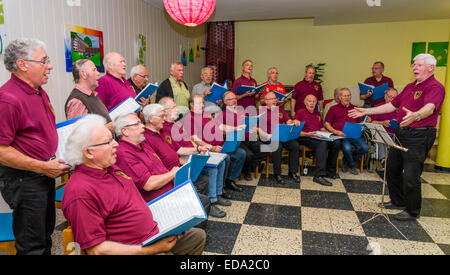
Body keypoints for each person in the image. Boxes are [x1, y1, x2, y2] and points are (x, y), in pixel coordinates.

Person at [61, 115, 206, 255]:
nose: (116, 144)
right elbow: (96, 250)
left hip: (152, 232)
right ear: (89, 152)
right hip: (136, 248)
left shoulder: (109, 167)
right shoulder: (80, 191)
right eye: (108, 142)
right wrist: (151, 249)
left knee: (197, 237)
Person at [349, 54, 445, 221]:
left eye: (420, 65)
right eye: (414, 65)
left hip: (419, 134)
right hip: (402, 132)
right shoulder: (410, 86)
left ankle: (412, 210)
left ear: (431, 68)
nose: (415, 67)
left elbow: (430, 107)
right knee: (391, 168)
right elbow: (391, 105)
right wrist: (366, 111)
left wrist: (417, 115)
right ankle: (398, 201)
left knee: (411, 174)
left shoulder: (435, 87)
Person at [0, 38, 71, 254]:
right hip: (26, 179)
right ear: (22, 64)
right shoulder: (8, 99)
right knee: (32, 245)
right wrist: (42, 167)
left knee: (45, 233)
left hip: (43, 174)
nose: (50, 66)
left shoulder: (39, 90)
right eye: (44, 61)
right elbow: (1, 150)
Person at [142, 103, 227, 218]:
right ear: (151, 119)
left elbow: (178, 149)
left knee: (205, 178)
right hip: (170, 173)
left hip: (179, 165)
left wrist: (197, 149)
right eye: (162, 116)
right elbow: (157, 164)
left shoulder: (162, 131)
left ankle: (197, 202)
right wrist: (181, 163)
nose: (164, 119)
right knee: (204, 178)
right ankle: (194, 204)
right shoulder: (146, 138)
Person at [179, 95, 247, 193]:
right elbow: (194, 139)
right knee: (226, 158)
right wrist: (211, 147)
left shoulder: (206, 114)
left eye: (203, 103)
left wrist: (236, 128)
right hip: (209, 149)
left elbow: (220, 126)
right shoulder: (189, 118)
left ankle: (230, 180)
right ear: (191, 104)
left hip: (221, 145)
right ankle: (220, 189)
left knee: (241, 153)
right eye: (199, 103)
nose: (202, 105)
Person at [221, 91, 269, 181]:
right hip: (237, 140)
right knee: (248, 154)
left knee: (265, 149)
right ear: (225, 102)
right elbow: (222, 132)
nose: (234, 100)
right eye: (231, 99)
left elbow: (250, 123)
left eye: (235, 98)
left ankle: (248, 167)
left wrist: (254, 128)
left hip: (249, 137)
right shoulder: (222, 115)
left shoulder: (241, 111)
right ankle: (246, 171)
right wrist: (236, 129)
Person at [295, 95, 341, 186]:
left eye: (314, 101)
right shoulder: (300, 112)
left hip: (317, 136)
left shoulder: (317, 113)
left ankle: (330, 171)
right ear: (305, 102)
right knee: (322, 144)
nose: (312, 103)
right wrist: (309, 134)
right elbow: (296, 131)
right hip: (305, 137)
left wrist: (328, 134)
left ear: (316, 103)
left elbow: (321, 128)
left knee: (336, 142)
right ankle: (318, 175)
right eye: (309, 101)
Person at [259, 92, 300, 184]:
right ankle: (277, 174)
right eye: (272, 99)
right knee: (277, 146)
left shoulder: (280, 110)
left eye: (275, 99)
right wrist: (267, 136)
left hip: (281, 136)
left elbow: (288, 121)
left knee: (295, 145)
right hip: (268, 137)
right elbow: (257, 128)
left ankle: (293, 172)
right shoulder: (261, 112)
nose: (274, 100)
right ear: (265, 101)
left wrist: (294, 122)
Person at [325, 88, 368, 175]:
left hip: (354, 135)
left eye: (348, 95)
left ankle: (347, 160)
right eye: (345, 96)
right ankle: (352, 165)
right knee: (347, 148)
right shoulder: (333, 108)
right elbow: (327, 124)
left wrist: (361, 126)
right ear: (340, 97)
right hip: (341, 135)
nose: (347, 97)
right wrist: (336, 131)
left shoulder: (355, 109)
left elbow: (360, 122)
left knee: (365, 148)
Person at [65, 59, 113, 130]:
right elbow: (81, 135)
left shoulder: (92, 95)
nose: (98, 73)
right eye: (94, 70)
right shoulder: (77, 101)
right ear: (83, 74)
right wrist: (108, 128)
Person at [367, 87, 399, 163]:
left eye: (394, 97)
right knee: (381, 136)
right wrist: (383, 123)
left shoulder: (399, 108)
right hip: (382, 133)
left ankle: (397, 162)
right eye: (389, 96)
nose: (391, 99)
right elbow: (372, 122)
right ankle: (383, 160)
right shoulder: (379, 107)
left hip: (396, 134)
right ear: (385, 96)